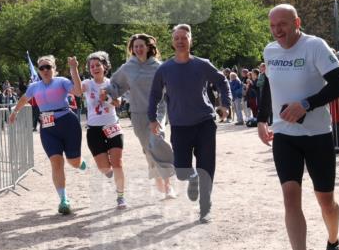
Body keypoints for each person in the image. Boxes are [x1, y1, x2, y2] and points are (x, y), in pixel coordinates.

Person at [256, 4, 339, 250]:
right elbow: (269, 85)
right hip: (285, 136)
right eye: (273, 26)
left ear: (297, 21)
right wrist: (262, 119)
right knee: (290, 197)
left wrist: (306, 104)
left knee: (326, 202)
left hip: (317, 134)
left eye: (283, 24)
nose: (278, 31)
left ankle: (333, 243)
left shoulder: (315, 46)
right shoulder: (270, 51)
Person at [147, 24, 230, 223]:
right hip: (180, 125)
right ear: (172, 42)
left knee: (206, 166)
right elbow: (155, 94)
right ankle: (192, 178)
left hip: (204, 122)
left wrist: (225, 105)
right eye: (177, 38)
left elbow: (222, 81)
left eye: (184, 38)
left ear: (190, 40)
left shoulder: (202, 64)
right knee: (182, 169)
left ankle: (205, 208)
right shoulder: (165, 69)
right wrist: (152, 118)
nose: (180, 41)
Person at [8, 55, 86, 215]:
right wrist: (15, 112)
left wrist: (74, 68)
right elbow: (24, 99)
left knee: (73, 161)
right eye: (42, 68)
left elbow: (78, 92)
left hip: (67, 123)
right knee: (56, 162)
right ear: (39, 71)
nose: (45, 70)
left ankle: (80, 163)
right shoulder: (34, 86)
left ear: (53, 69)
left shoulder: (62, 81)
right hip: (48, 127)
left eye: (48, 67)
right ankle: (64, 200)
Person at [110, 33, 176, 199]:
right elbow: (115, 85)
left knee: (157, 140)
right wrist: (111, 95)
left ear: (148, 48)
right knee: (148, 149)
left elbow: (171, 88)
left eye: (141, 46)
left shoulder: (158, 67)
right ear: (132, 49)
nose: (138, 49)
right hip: (138, 113)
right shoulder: (127, 68)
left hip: (157, 110)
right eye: (136, 46)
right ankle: (157, 173)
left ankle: (168, 185)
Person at [81, 51, 127, 209]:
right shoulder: (87, 84)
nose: (95, 68)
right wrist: (73, 69)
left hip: (112, 126)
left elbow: (118, 102)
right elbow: (76, 90)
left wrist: (106, 98)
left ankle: (121, 197)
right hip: (94, 130)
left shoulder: (111, 83)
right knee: (104, 167)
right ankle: (107, 170)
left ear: (105, 66)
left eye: (98, 65)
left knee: (118, 163)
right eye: (91, 66)